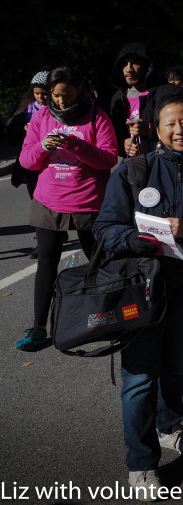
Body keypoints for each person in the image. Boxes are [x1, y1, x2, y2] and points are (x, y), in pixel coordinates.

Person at [93, 93, 183, 499]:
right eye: (171, 123)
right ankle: (140, 463)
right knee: (139, 377)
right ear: (156, 130)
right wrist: (138, 239)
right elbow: (104, 229)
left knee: (174, 367)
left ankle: (169, 425)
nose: (180, 130)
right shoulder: (133, 171)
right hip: (140, 290)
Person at [14, 67, 119, 350]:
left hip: (88, 201)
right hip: (49, 201)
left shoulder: (97, 116)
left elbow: (109, 159)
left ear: (80, 89)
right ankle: (38, 327)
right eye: (56, 95)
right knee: (46, 263)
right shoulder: (41, 116)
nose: (61, 101)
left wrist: (76, 145)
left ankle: (110, 316)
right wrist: (43, 147)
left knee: (98, 262)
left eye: (67, 94)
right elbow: (26, 160)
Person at [5, 69, 50, 258]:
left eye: (44, 93)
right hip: (32, 160)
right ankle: (46, 236)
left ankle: (49, 236)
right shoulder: (28, 108)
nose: (40, 97)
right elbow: (12, 130)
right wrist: (23, 128)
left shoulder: (60, 107)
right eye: (36, 93)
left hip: (52, 161)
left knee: (48, 199)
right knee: (36, 199)